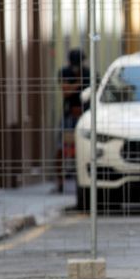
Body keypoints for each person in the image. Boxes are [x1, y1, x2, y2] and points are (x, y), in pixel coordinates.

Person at [57, 48, 90, 192]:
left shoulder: (88, 73)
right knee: (60, 148)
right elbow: (66, 91)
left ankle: (81, 179)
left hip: (85, 117)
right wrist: (79, 83)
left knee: (84, 149)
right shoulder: (65, 72)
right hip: (69, 116)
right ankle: (60, 181)